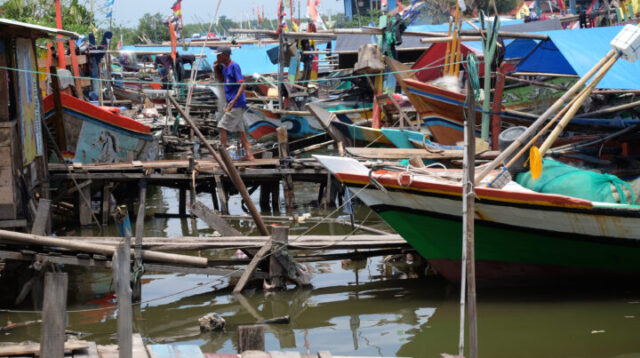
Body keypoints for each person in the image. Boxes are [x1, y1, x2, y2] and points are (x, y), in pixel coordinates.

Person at [215, 45, 255, 160]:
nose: (218, 57)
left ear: (226, 56)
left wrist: (233, 101)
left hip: (236, 103)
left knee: (222, 126)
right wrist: (216, 67)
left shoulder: (234, 66)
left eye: (219, 55)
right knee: (240, 131)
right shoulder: (225, 67)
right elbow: (221, 79)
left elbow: (242, 85)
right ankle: (249, 155)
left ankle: (223, 156)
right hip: (233, 103)